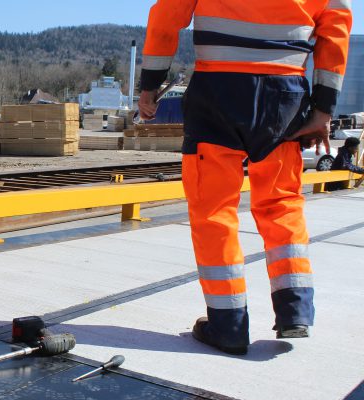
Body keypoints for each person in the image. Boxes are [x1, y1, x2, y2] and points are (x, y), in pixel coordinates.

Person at [139, 0, 352, 355]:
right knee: (281, 204)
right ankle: (294, 311)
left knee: (214, 211)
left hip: (216, 92)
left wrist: (150, 85)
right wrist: (323, 108)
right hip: (284, 95)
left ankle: (228, 326)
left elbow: (165, 17)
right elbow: (335, 30)